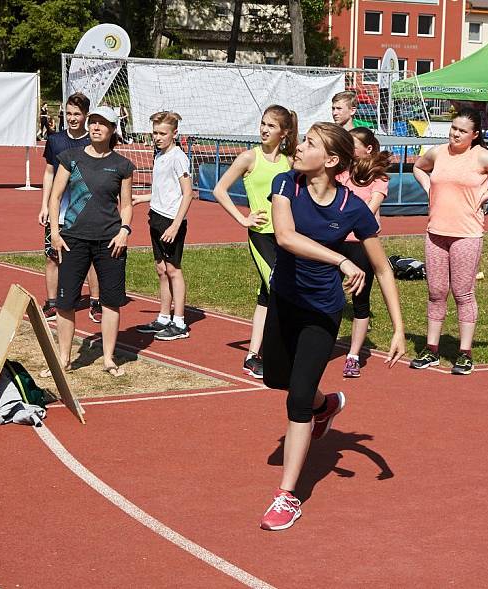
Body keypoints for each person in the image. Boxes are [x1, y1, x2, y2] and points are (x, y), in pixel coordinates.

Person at [259, 122, 405, 531]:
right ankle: (327, 406)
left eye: (308, 144)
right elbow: (285, 237)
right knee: (278, 379)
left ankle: (287, 496)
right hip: (284, 303)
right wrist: (340, 259)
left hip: (321, 312)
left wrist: (397, 328)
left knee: (297, 400)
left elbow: (382, 267)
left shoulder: (352, 208)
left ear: (331, 160)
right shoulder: (286, 183)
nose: (298, 147)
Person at [411, 107, 488, 375]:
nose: (455, 134)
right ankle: (431, 349)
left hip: (466, 234)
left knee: (463, 293)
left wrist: (487, 196)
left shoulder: (481, 156)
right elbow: (418, 167)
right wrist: (429, 187)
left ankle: (464, 353)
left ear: (474, 135)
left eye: (462, 131)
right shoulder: (438, 152)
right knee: (436, 292)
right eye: (453, 128)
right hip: (436, 231)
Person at [48, 106, 135, 376]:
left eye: (102, 124)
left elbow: (127, 204)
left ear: (112, 130)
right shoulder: (70, 158)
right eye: (93, 122)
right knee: (65, 302)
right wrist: (55, 231)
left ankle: (108, 358)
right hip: (73, 239)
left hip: (110, 241)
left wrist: (124, 230)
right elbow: (55, 197)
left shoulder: (122, 165)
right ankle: (64, 358)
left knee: (111, 301)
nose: (96, 127)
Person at [212, 105, 297, 377]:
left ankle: (252, 355)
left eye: (271, 126)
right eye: (263, 123)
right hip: (261, 235)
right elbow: (219, 189)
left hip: (286, 237)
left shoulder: (290, 161)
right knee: (280, 290)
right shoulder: (249, 158)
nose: (264, 129)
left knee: (266, 295)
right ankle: (279, 351)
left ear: (284, 133)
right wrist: (242, 218)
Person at [38, 92, 101, 323]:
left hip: (86, 211)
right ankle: (52, 303)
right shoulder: (55, 140)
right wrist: (44, 205)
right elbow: (49, 172)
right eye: (69, 113)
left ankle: (96, 302)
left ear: (86, 116)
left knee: (92, 258)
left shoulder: (93, 141)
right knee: (53, 256)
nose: (73, 118)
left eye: (77, 114)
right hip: (59, 210)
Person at [133, 111, 194, 340]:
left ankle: (179, 322)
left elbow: (187, 194)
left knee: (173, 270)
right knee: (161, 270)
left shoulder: (179, 157)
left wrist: (175, 225)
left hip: (171, 221)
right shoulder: (158, 155)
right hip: (156, 217)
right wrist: (142, 198)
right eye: (154, 133)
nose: (157, 137)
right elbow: (163, 190)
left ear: (174, 133)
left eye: (162, 133)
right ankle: (163, 317)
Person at [336, 127, 392, 377]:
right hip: (335, 242)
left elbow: (368, 211)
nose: (349, 148)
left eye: (353, 144)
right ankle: (322, 341)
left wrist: (342, 220)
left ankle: (353, 355)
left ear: (368, 149)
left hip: (361, 244)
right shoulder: (341, 173)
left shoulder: (379, 178)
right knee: (327, 294)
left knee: (360, 300)